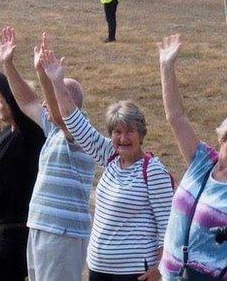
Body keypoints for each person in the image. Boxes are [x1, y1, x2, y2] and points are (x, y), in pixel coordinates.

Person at [40, 45, 174, 281]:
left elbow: (169, 224)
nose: (123, 139)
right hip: (98, 269)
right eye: (117, 132)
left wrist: (161, 268)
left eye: (130, 132)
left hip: (134, 272)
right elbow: (74, 122)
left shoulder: (152, 170)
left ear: (142, 134)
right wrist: (57, 82)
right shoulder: (110, 156)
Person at [157, 33, 227, 280]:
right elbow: (175, 117)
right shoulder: (202, 160)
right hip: (169, 274)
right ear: (223, 137)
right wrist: (166, 67)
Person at [0, 28, 96, 281]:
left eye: (54, 97)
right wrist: (8, 64)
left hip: (63, 232)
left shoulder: (81, 133)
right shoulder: (54, 130)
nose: (44, 104)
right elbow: (27, 102)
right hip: (41, 225)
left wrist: (44, 74)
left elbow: (55, 110)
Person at [0, 37, 46, 281]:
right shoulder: (8, 132)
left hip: (14, 234)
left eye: (1, 100)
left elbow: (15, 96)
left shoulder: (30, 132)